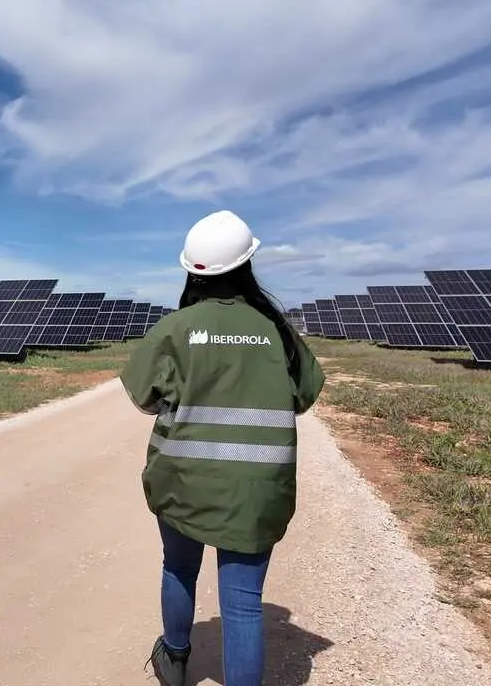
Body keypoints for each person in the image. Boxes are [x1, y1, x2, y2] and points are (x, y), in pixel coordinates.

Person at [120, 210, 325, 686]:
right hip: (256, 491)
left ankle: (174, 658)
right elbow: (304, 396)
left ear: (191, 270)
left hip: (183, 483)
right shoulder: (277, 332)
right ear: (247, 264)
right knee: (243, 605)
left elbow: (144, 398)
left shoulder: (175, 329)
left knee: (179, 567)